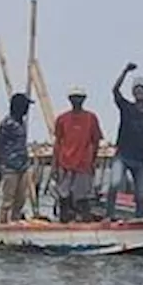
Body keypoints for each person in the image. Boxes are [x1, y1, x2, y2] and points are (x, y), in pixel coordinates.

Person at [104, 63, 143, 220]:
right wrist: (124, 71)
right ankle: (109, 216)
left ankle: (140, 220)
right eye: (137, 90)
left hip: (139, 160)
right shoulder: (126, 107)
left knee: (140, 195)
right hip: (122, 156)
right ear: (133, 92)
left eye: (142, 90)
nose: (139, 92)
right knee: (114, 185)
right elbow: (115, 91)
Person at [52, 86, 103, 222]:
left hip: (83, 163)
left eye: (79, 98)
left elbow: (96, 141)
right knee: (64, 196)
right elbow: (57, 143)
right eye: (74, 98)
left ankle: (85, 223)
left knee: (82, 198)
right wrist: (54, 165)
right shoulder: (62, 119)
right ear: (70, 99)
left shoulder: (91, 118)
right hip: (65, 163)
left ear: (84, 99)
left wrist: (92, 162)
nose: (76, 101)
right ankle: (64, 223)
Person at [0, 92, 33, 223]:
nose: (27, 109)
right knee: (7, 201)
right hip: (10, 167)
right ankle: (4, 225)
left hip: (22, 166)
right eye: (26, 106)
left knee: (21, 199)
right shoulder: (7, 123)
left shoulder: (22, 123)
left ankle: (15, 222)